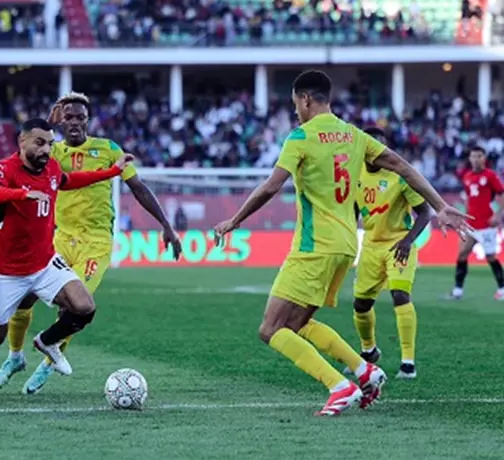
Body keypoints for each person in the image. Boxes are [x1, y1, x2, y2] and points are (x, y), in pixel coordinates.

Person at [213, 70, 471, 416]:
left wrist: (235, 220)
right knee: (299, 324)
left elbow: (271, 186)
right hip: (349, 246)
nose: (295, 111)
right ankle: (365, 371)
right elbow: (402, 166)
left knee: (270, 329)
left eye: (295, 104)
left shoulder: (300, 137)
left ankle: (339, 385)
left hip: (314, 246)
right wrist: (440, 205)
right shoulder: (354, 135)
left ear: (305, 99)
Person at [0, 93, 181, 395]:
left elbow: (138, 187)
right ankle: (15, 356)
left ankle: (47, 363)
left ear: (88, 121)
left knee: (76, 306)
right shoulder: (50, 152)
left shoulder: (108, 149)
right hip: (58, 239)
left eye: (80, 117)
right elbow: (18, 161)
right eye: (69, 117)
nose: (75, 122)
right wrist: (47, 128)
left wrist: (167, 226)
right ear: (61, 121)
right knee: (24, 296)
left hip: (95, 242)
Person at [0, 118, 135, 402]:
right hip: (6, 272)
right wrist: (22, 194)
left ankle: (46, 341)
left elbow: (69, 180)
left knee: (84, 307)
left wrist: (112, 171)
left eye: (50, 143)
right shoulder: (6, 168)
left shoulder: (51, 168)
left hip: (44, 264)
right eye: (39, 143)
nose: (47, 150)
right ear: (22, 142)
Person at [351, 127, 433, 380]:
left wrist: (408, 241)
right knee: (361, 304)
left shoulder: (399, 177)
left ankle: (408, 362)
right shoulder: (354, 174)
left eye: (382, 147)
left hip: (398, 243)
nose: (379, 152)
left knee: (400, 295)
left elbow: (425, 212)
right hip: (371, 245)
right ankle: (368, 351)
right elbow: (353, 210)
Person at [449, 146, 504, 300]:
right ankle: (457, 291)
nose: (476, 159)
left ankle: (502, 289)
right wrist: (464, 216)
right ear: (470, 158)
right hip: (471, 225)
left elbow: (502, 193)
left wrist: (499, 215)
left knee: (491, 257)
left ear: (484, 158)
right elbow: (468, 199)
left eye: (479, 156)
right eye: (473, 156)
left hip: (487, 225)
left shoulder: (490, 175)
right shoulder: (467, 176)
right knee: (462, 254)